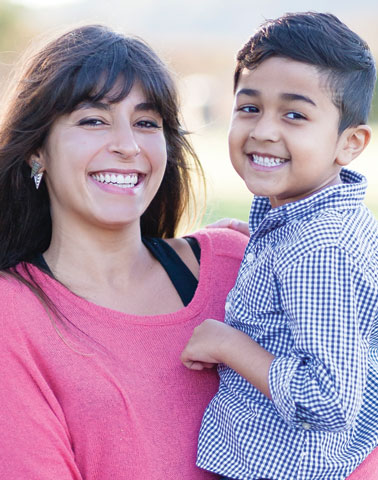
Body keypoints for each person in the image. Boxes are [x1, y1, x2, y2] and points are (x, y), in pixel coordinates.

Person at [0, 25, 248, 479]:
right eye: (93, 120)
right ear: (37, 150)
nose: (128, 145)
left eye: (146, 123)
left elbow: (352, 430)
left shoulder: (237, 268)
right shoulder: (11, 315)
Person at [181, 12, 378, 480]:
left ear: (349, 143)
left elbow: (328, 400)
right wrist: (263, 250)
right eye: (249, 108)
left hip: (287, 467)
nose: (265, 130)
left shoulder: (317, 250)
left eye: (295, 114)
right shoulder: (312, 221)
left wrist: (228, 345)